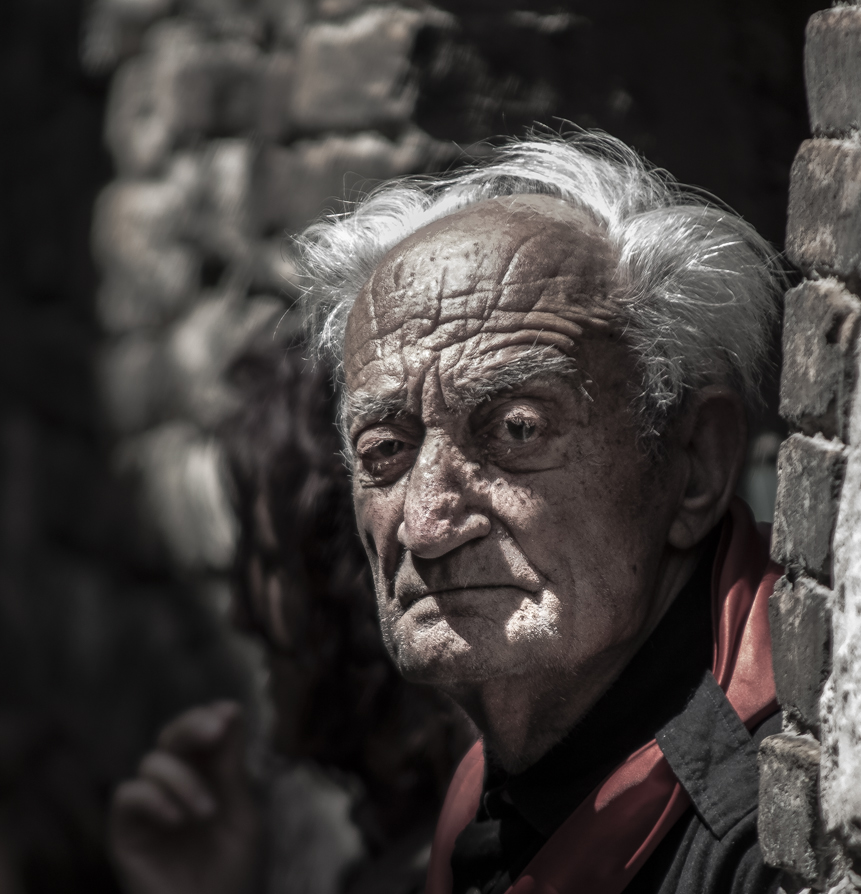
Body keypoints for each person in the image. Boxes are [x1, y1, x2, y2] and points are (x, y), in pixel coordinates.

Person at [118, 130, 788, 894]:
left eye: (515, 430)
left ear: (694, 462)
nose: (426, 524)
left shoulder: (774, 835)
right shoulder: (498, 787)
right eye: (385, 452)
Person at [109, 341, 474, 894]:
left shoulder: (478, 861)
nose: (239, 615)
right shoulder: (424, 853)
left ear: (344, 576)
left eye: (259, 564)